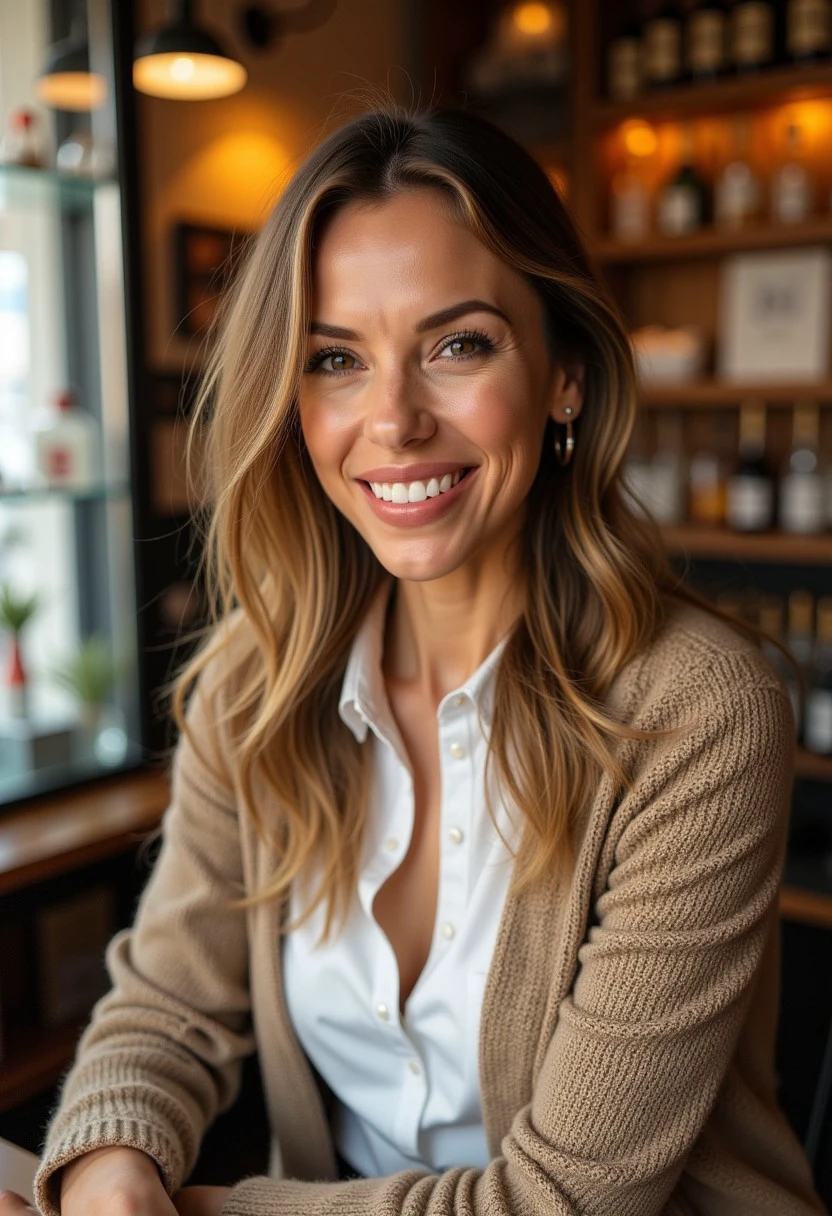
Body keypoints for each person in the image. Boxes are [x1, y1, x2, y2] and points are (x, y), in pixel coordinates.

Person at [8, 105, 827, 1216]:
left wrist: (188, 1210)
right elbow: (165, 1003)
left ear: (564, 377)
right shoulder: (258, 679)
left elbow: (564, 1204)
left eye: (458, 345)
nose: (391, 420)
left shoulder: (695, 709)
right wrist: (112, 1173)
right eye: (335, 359)